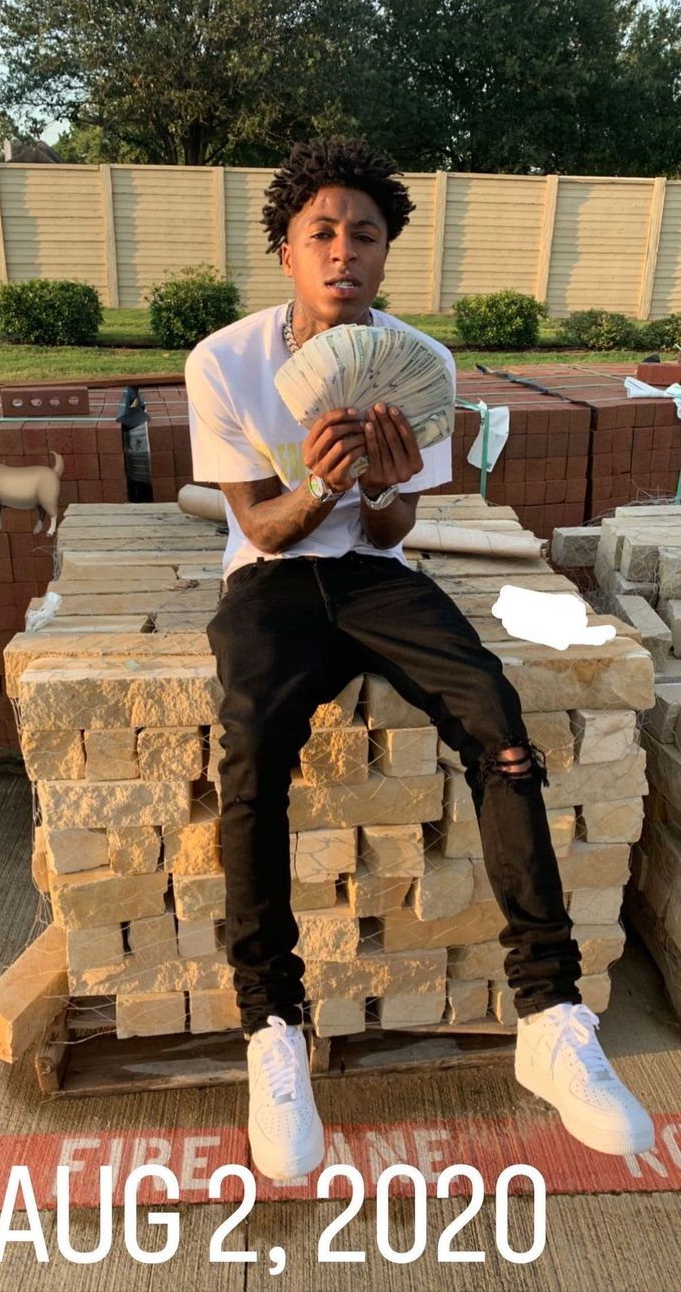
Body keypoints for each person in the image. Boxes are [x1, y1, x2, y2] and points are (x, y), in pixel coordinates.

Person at [185, 136, 654, 1182]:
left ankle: (549, 1010)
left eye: (364, 233)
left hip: (371, 575)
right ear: (287, 250)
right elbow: (261, 527)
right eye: (322, 233)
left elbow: (394, 528)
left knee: (491, 708)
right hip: (268, 577)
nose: (342, 249)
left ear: (386, 254)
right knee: (253, 742)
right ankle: (272, 1025)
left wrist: (385, 489)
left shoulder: (421, 363)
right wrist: (320, 485)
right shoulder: (224, 360)